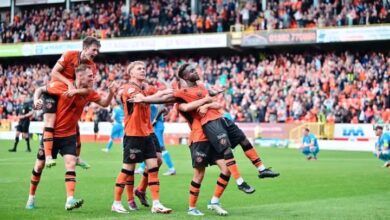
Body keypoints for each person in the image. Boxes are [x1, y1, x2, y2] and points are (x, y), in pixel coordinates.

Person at [26, 65, 116, 210]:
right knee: (39, 166)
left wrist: (111, 93)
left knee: (70, 164)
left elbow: (105, 103)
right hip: (52, 135)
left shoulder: (89, 93)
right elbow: (39, 89)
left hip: (68, 136)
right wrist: (36, 101)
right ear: (80, 76)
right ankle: (31, 197)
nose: (93, 78)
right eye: (90, 76)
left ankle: (69, 200)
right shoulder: (61, 86)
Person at [111, 61, 171, 214]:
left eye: (144, 68)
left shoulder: (143, 89)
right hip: (133, 135)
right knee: (127, 170)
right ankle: (117, 202)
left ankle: (156, 203)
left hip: (146, 134)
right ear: (131, 73)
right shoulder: (129, 88)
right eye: (139, 69)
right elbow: (144, 99)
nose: (143, 70)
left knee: (154, 167)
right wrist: (164, 95)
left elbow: (158, 95)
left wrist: (175, 93)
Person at [42, 36, 100, 168]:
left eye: (97, 51)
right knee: (50, 122)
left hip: (70, 94)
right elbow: (54, 72)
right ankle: (48, 156)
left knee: (74, 125)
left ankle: (77, 157)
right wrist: (69, 83)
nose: (96, 53)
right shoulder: (69, 54)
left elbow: (89, 89)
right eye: (94, 50)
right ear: (85, 48)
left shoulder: (92, 66)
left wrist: (75, 90)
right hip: (54, 92)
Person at [136, 104, 176, 175]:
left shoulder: (154, 98)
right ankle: (141, 168)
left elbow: (161, 108)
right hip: (156, 126)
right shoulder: (151, 98)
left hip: (157, 126)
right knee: (150, 147)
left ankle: (171, 168)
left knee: (161, 147)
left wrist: (154, 120)